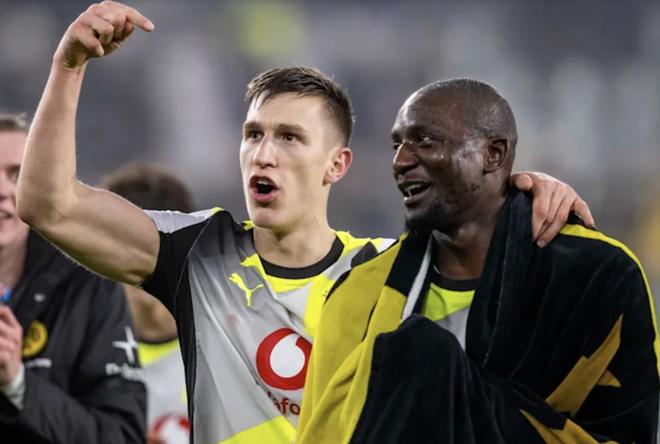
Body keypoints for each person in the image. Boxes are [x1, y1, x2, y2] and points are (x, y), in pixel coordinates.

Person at [17, 2, 594, 442]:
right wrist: (69, 66)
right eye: (253, 135)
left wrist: (532, 192)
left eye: (290, 138)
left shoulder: (387, 272)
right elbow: (48, 204)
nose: (264, 154)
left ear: (336, 165)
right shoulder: (198, 253)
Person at [297, 79, 659, 443]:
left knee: (419, 354)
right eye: (397, 145)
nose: (400, 161)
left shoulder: (597, 276)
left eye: (425, 140)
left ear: (494, 154)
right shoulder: (357, 295)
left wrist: (440, 380)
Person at [0, 113, 146, 443]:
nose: (1, 190)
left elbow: (120, 437)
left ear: (39, 184)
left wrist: (17, 382)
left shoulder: (90, 281)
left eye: (16, 175)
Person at [101, 162, 194, 444]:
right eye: (125, 242)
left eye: (154, 241)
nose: (142, 258)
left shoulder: (227, 343)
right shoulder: (87, 355)